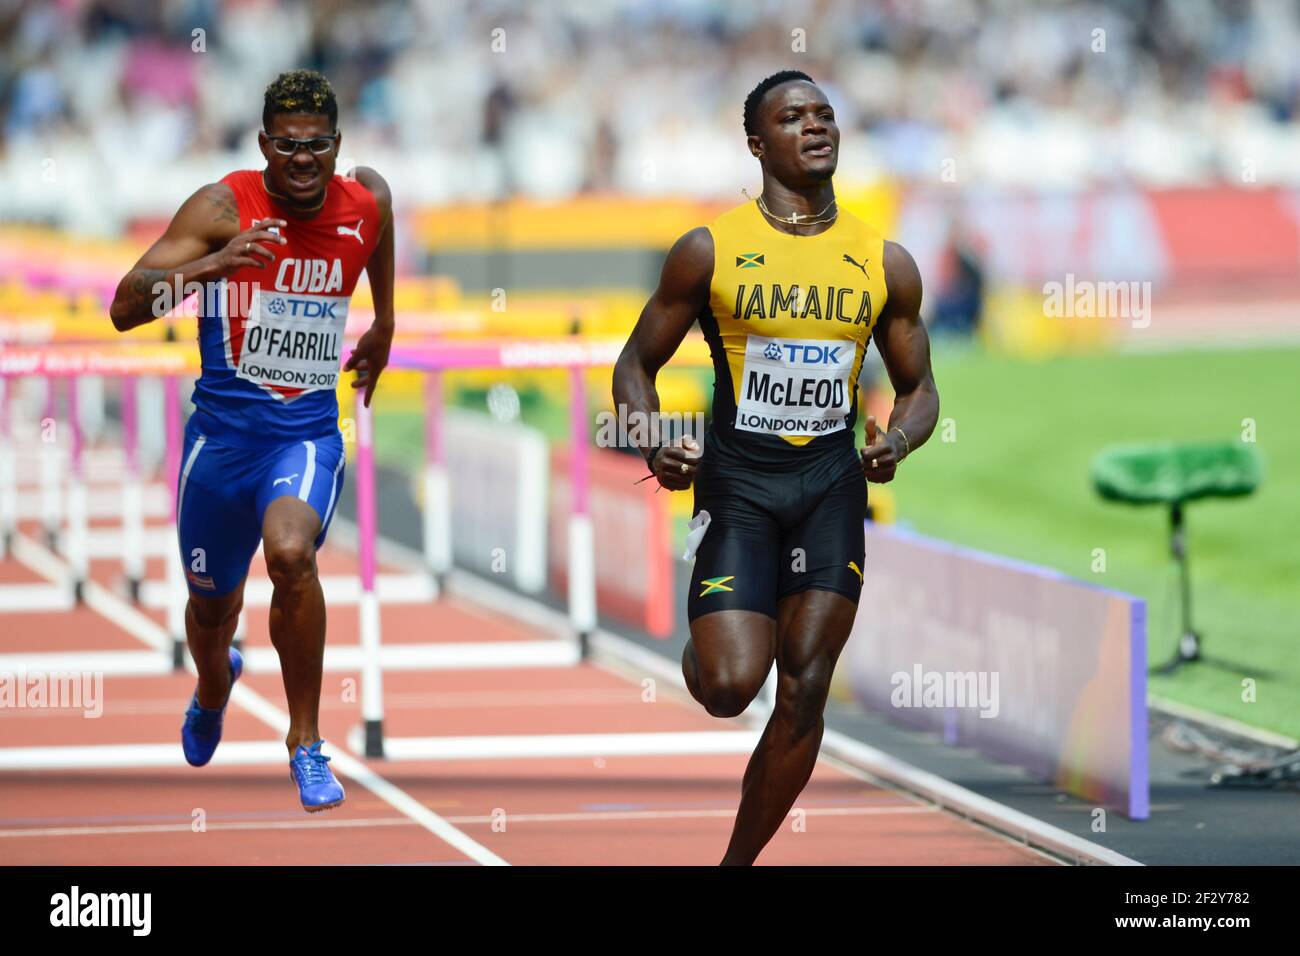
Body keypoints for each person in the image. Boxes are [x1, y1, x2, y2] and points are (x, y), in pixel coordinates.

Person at [612, 70, 939, 864]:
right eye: (793, 117)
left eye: (825, 114)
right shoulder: (709, 250)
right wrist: (656, 440)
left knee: (804, 688)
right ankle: (707, 644)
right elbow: (633, 368)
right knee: (730, 687)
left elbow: (920, 390)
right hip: (739, 487)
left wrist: (896, 440)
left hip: (830, 487)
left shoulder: (883, 261)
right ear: (758, 144)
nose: (815, 126)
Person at [109, 69, 395, 812]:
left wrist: (384, 323)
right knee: (211, 613)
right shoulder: (219, 206)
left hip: (303, 437)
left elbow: (380, 222)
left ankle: (305, 742)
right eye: (289, 146)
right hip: (220, 447)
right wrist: (211, 266)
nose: (304, 160)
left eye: (319, 147)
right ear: (265, 143)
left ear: (337, 146)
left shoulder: (364, 202)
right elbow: (123, 309)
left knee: (292, 555)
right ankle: (213, 685)